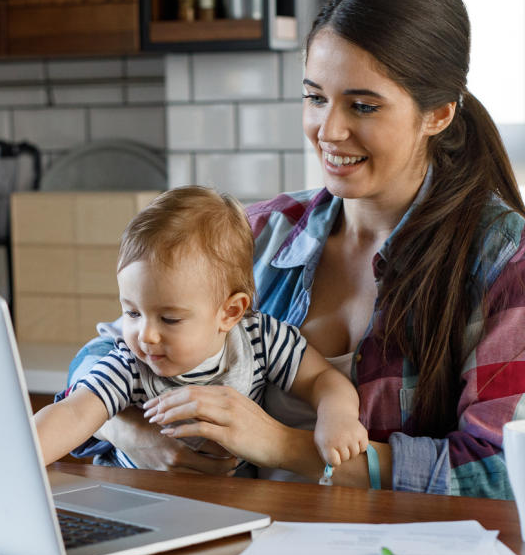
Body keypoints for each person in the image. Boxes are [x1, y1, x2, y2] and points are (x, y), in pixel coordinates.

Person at [72, 0, 525, 497]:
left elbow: (503, 473)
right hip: (239, 551)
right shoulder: (259, 233)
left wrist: (280, 446)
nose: (328, 131)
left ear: (438, 115)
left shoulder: (505, 259)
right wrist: (134, 433)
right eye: (314, 98)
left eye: (363, 105)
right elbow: (102, 360)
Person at [35, 186, 366, 469]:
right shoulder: (130, 365)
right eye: (132, 313)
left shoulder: (259, 339)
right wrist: (22, 457)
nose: (146, 336)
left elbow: (322, 379)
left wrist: (337, 418)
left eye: (169, 319)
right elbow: (74, 414)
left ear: (230, 312)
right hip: (140, 498)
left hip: (228, 505)